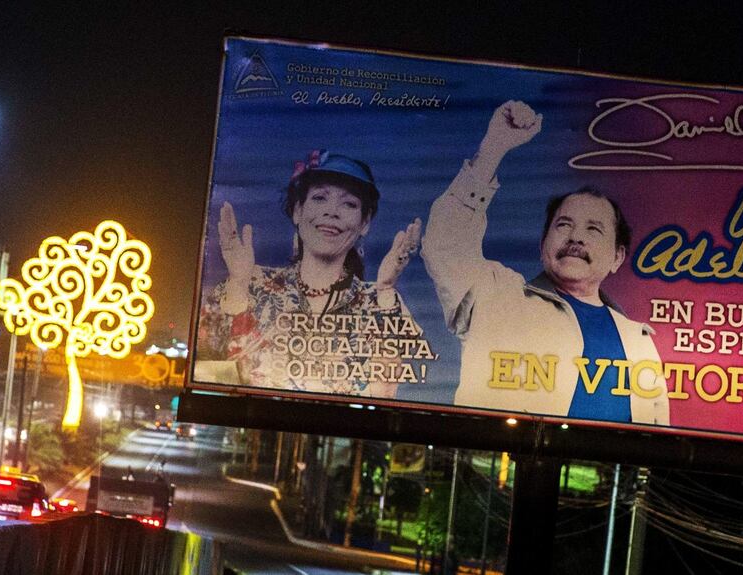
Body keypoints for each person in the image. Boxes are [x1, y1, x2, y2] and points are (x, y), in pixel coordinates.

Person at [422, 101, 669, 424]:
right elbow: (445, 245)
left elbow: (655, 434)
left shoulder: (639, 342)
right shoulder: (497, 294)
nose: (576, 238)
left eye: (593, 229)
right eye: (564, 224)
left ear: (617, 257)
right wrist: (494, 148)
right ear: (543, 245)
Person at [199, 150, 421, 397]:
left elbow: (384, 395)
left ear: (365, 222)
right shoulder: (253, 282)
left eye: (349, 203)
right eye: (319, 198)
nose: (332, 212)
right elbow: (205, 367)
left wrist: (387, 290)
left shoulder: (379, 300)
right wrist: (238, 286)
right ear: (297, 211)